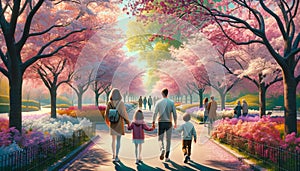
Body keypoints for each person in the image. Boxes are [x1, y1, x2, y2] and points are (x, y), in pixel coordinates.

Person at [105, 88, 130, 162]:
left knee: (113, 140)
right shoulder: (121, 103)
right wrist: (128, 122)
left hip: (112, 123)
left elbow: (106, 114)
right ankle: (116, 156)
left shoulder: (109, 103)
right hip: (119, 123)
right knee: (118, 140)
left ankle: (113, 154)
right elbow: (124, 114)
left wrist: (108, 122)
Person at [152, 88, 177, 162]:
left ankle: (162, 149)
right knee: (168, 140)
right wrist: (175, 122)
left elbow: (155, 113)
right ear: (167, 94)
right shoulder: (171, 102)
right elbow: (175, 114)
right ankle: (167, 156)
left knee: (160, 138)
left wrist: (153, 122)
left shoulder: (158, 102)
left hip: (161, 122)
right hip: (169, 122)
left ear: (162, 94)